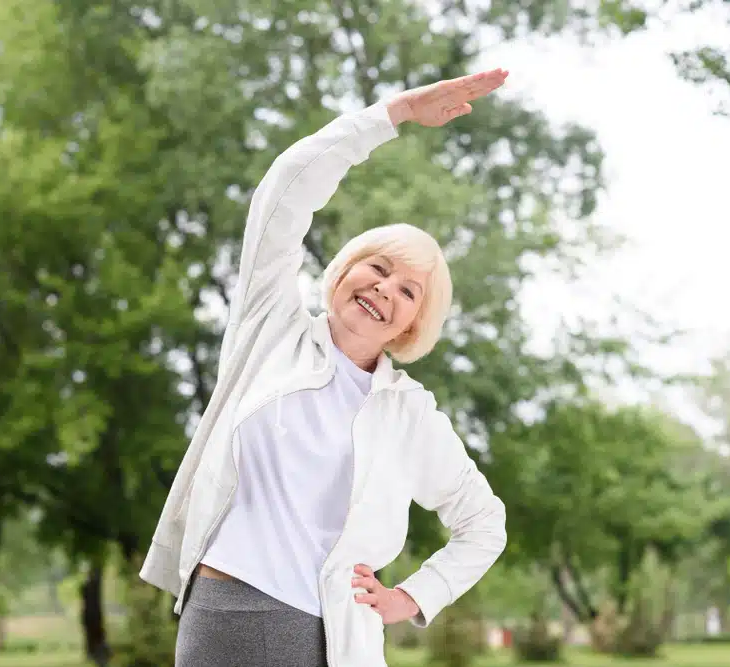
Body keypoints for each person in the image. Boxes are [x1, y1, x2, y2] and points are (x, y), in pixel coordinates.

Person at [140, 68, 510, 667]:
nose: (386, 288)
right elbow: (284, 189)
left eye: (409, 290)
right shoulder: (270, 328)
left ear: (413, 324)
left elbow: (483, 523)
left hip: (331, 640)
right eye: (378, 267)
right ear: (344, 270)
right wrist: (395, 113)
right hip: (222, 617)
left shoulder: (407, 412)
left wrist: (414, 596)